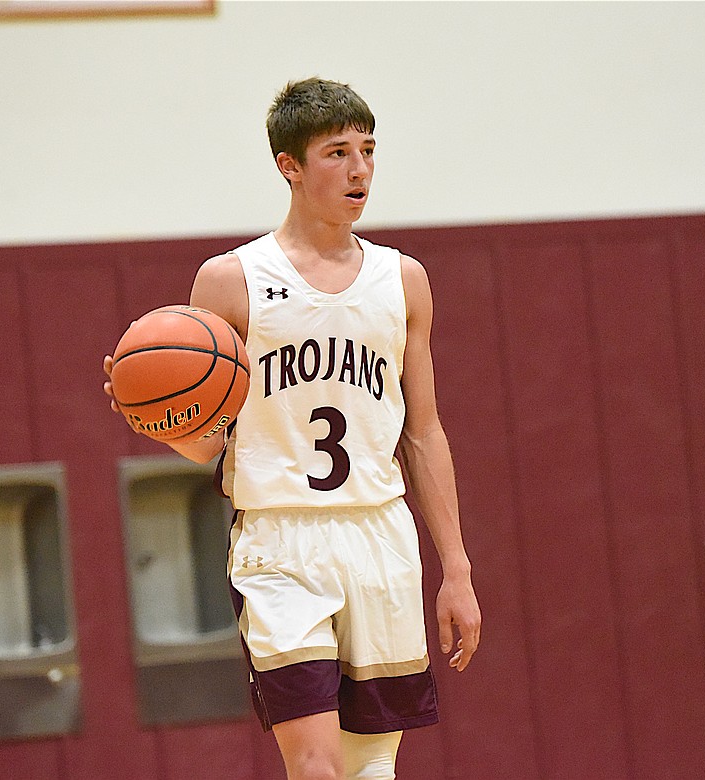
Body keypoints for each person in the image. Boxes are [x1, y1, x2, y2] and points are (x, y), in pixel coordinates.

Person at [106, 77, 480, 780]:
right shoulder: (230, 280)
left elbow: (423, 433)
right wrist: (160, 419)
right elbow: (206, 443)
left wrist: (455, 568)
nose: (360, 168)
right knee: (315, 765)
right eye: (338, 152)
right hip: (278, 543)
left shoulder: (405, 282)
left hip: (379, 536)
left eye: (368, 149)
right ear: (291, 167)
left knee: (372, 766)